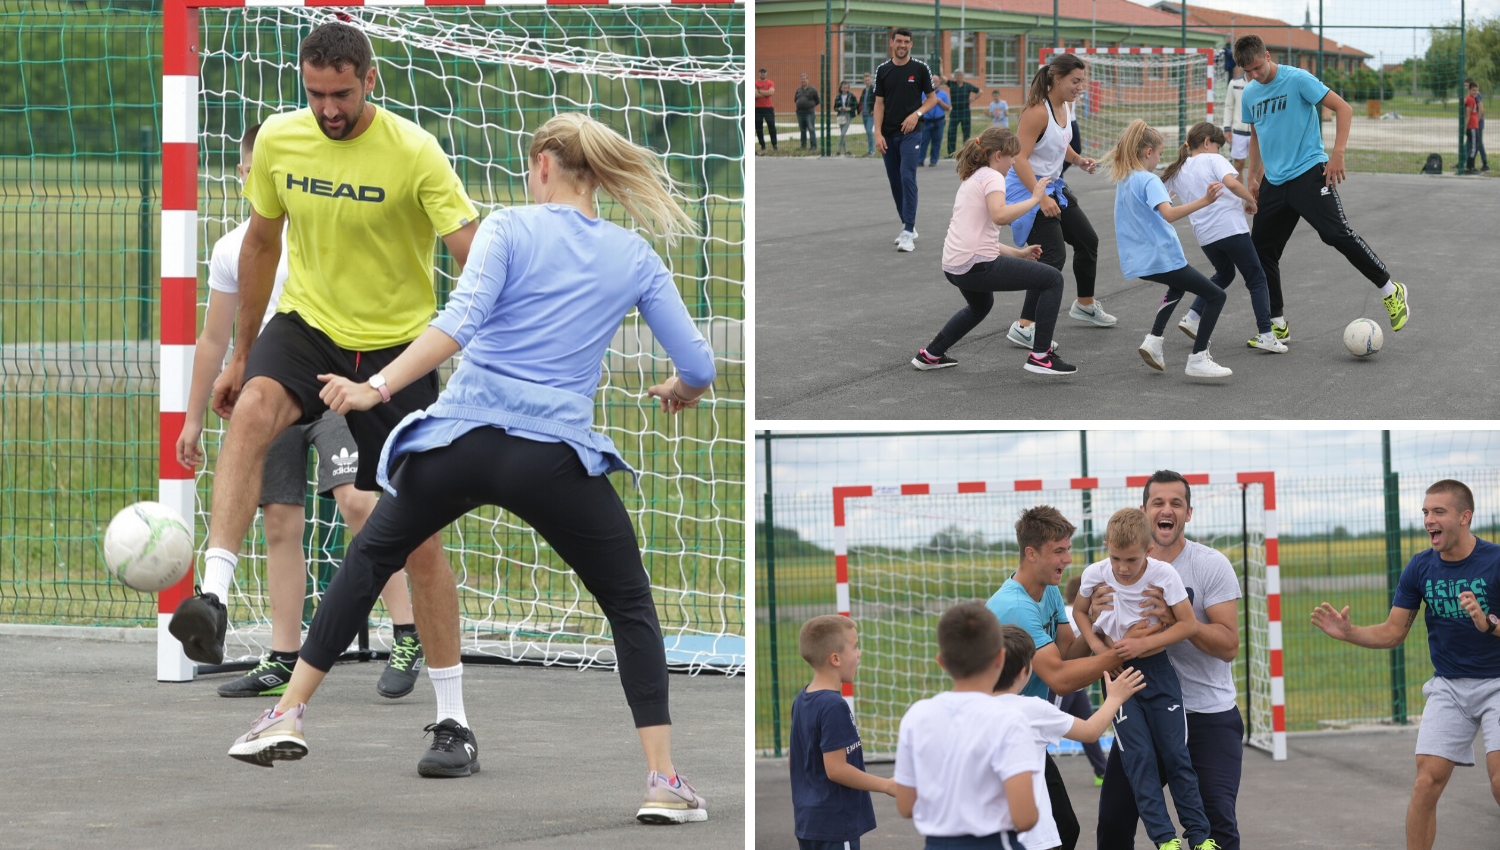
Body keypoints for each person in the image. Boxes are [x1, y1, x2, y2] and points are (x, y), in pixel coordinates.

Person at [226, 113, 717, 825]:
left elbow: (459, 320)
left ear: (544, 163)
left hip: (461, 440)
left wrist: (377, 387)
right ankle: (663, 781)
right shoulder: (634, 254)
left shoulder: (508, 229)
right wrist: (682, 391)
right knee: (630, 606)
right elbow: (698, 364)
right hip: (552, 456)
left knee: (369, 557)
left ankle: (288, 712)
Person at [168, 23, 482, 712]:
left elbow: (473, 255)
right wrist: (246, 352)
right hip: (307, 328)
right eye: (315, 94)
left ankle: (452, 717)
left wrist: (491, 348)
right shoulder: (282, 138)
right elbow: (260, 243)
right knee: (251, 408)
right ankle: (213, 594)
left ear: (369, 80)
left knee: (418, 542)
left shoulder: (414, 153)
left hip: (395, 352)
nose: (328, 109)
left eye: (340, 94)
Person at [176, 123, 424, 700]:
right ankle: (283, 655)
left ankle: (407, 631)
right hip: (270, 394)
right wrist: (192, 417)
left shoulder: (321, 235)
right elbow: (214, 340)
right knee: (280, 521)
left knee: (360, 502)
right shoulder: (234, 248)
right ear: (247, 176)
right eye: (250, 170)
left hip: (328, 385)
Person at [1311, 479, 1500, 850]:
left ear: (1465, 517)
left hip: (1497, 681)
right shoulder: (1420, 568)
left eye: (1439, 512)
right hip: (1449, 684)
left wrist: (1489, 624)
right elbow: (1393, 632)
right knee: (1425, 782)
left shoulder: (1495, 561)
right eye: (1426, 512)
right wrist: (1349, 632)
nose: (1429, 519)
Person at [1091, 471, 1248, 850]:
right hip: (1143, 712)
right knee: (1112, 824)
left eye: (1176, 503)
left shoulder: (1210, 565)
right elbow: (1096, 637)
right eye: (1157, 502)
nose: (1167, 509)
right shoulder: (1115, 568)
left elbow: (1229, 646)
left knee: (1215, 829)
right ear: (1144, 513)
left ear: (1188, 513)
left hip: (1207, 715)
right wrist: (1094, 626)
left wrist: (1181, 621)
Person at [1235, 34, 1409, 342]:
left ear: (1268, 55)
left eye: (1257, 68)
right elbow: (1256, 135)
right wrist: (1253, 176)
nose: (1254, 75)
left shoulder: (1298, 79)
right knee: (1262, 249)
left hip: (1308, 172)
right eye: (1247, 71)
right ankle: (1277, 324)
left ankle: (1390, 290)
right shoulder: (1249, 93)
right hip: (1275, 181)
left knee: (1335, 234)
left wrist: (1338, 152)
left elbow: (1343, 108)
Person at [985, 505, 1131, 850]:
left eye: (1068, 548)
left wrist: (1094, 620)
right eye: (1059, 551)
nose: (1068, 559)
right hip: (998, 736)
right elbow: (1062, 680)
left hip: (1023, 730)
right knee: (1041, 833)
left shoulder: (1048, 589)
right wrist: (1120, 654)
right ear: (1030, 553)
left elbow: (1067, 654)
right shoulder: (1015, 607)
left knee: (1060, 829)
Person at [1072, 508, 1216, 850]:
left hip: (1158, 674)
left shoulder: (1164, 574)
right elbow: (1079, 610)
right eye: (1115, 557)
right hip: (1119, 679)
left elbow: (1187, 625)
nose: (1122, 567)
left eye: (1131, 560)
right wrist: (1098, 648)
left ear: (1148, 550)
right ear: (1106, 547)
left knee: (1175, 756)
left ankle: (1200, 837)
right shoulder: (1095, 573)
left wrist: (1142, 644)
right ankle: (1165, 840)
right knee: (1139, 760)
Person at [909, 127, 1074, 376]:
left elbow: (977, 236)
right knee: (1052, 279)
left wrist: (1018, 253)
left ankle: (930, 355)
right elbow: (999, 215)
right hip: (976, 265)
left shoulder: (972, 178)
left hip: (954, 265)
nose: (1015, 162)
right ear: (998, 155)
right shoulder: (994, 177)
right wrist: (1035, 198)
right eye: (1012, 157)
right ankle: (1041, 356)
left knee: (980, 306)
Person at [894, 602, 1040, 849]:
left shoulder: (916, 716)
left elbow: (906, 806)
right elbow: (1024, 817)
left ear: (941, 661)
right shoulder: (1008, 720)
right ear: (1000, 658)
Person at [993, 624, 1145, 850]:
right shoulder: (1033, 709)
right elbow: (1091, 731)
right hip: (1034, 837)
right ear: (1025, 671)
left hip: (985, 833)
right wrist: (1115, 697)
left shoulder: (968, 710)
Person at [1003, 52, 1111, 354]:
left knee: (1088, 241)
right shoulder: (1036, 111)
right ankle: (1024, 326)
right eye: (1075, 81)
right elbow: (1019, 158)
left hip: (1051, 186)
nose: (1080, 87)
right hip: (1026, 189)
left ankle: (1085, 305)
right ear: (1057, 78)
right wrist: (1042, 199)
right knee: (1051, 257)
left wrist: (1078, 160)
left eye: (1082, 82)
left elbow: (1058, 144)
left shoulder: (1066, 105)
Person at [1109, 119, 1233, 379]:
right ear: (1148, 153)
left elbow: (1149, 211)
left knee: (1177, 287)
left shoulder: (1126, 179)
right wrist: (1205, 200)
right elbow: (1169, 215)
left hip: (1139, 260)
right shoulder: (1149, 179)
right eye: (1160, 154)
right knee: (1216, 296)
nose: (1160, 160)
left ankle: (1154, 340)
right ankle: (1198, 358)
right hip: (1162, 258)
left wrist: (1163, 203)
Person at [1160, 122, 1287, 354]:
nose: (1220, 151)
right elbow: (1231, 183)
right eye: (1219, 146)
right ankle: (1267, 335)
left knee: (1225, 273)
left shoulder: (1178, 168)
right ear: (1208, 143)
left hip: (1206, 237)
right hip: (1230, 229)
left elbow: (1160, 194)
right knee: (1256, 278)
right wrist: (1250, 200)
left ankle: (1192, 316)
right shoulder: (1213, 159)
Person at [791, 616, 897, 850]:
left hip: (808, 822)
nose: (859, 654)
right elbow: (836, 769)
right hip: (834, 825)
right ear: (836, 658)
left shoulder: (802, 698)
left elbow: (795, 757)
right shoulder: (833, 705)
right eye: (855, 647)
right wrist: (887, 785)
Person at [873, 28, 941, 253]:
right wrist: (877, 133)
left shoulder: (921, 69)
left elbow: (932, 100)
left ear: (911, 44)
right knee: (895, 181)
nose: (902, 45)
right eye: (898, 41)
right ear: (892, 43)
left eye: (906, 42)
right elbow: (879, 104)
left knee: (906, 176)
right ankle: (908, 224)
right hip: (888, 134)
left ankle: (907, 231)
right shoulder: (882, 70)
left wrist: (916, 115)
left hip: (911, 133)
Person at [1056, 577, 1108, 785]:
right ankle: (1033, 766)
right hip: (1064, 682)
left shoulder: (1064, 615)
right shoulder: (1077, 617)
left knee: (1087, 725)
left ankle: (1101, 770)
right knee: (1047, 725)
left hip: (1075, 682)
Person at [1222, 66, 1251, 174]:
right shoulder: (1234, 83)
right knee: (1238, 165)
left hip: (1258, 132)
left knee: (1259, 167)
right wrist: (1227, 128)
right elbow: (1229, 106)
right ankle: (1239, 191)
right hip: (1239, 131)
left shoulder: (1263, 83)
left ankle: (1258, 191)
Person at [946, 69, 981, 157]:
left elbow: (980, 91)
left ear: (963, 76)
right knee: (951, 132)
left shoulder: (968, 86)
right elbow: (942, 78)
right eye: (957, 75)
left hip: (965, 111)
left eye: (961, 75)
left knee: (966, 132)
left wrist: (972, 99)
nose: (959, 77)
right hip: (954, 111)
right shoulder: (952, 84)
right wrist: (941, 64)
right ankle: (951, 153)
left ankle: (966, 153)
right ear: (954, 77)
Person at [917, 81, 951, 168]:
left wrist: (940, 102)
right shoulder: (923, 93)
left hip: (939, 122)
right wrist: (925, 102)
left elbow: (948, 108)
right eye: (932, 81)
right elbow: (917, 106)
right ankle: (920, 160)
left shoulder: (943, 94)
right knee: (923, 141)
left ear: (939, 83)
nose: (934, 83)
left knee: (937, 141)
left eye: (936, 81)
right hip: (926, 121)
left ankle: (933, 160)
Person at [834, 80, 859, 157]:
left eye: (846, 88)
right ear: (841, 88)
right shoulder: (838, 96)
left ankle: (838, 150)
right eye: (844, 88)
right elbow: (834, 107)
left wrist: (849, 109)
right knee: (842, 134)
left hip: (848, 115)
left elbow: (856, 106)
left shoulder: (852, 96)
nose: (845, 89)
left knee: (843, 133)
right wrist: (838, 108)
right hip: (840, 115)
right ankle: (845, 150)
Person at [795, 73, 821, 149]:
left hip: (809, 113)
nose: (803, 80)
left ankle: (813, 146)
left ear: (807, 79)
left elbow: (817, 101)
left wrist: (810, 105)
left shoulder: (813, 90)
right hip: (800, 113)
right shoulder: (798, 90)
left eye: (804, 78)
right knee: (802, 130)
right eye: (802, 79)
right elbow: (796, 100)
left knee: (811, 129)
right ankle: (803, 145)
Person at [755, 67, 778, 153]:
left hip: (768, 108)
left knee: (771, 126)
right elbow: (754, 95)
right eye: (761, 72)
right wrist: (766, 93)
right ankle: (762, 145)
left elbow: (771, 92)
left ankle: (774, 144)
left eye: (764, 72)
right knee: (758, 128)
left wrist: (759, 91)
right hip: (756, 108)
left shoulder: (770, 83)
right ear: (759, 73)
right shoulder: (755, 83)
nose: (763, 73)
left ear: (766, 73)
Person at [1465, 79, 1482, 174]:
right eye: (1473, 90)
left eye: (1477, 90)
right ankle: (1470, 168)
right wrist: (1466, 127)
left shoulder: (1472, 98)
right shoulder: (1470, 99)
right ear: (1469, 90)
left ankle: (1471, 167)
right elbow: (1467, 114)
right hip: (1472, 127)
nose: (1476, 92)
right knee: (1474, 148)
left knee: (1474, 147)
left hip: (1475, 126)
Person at [859, 72, 878, 156]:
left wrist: (874, 109)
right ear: (863, 81)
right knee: (867, 132)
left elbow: (877, 100)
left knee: (869, 131)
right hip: (864, 113)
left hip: (871, 114)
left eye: (868, 80)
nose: (867, 81)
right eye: (865, 80)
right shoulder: (864, 90)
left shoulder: (873, 89)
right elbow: (861, 101)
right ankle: (869, 150)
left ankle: (872, 151)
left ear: (871, 80)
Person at [1473, 80, 1489, 172]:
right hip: (1475, 123)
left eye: (1467, 85)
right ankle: (1468, 164)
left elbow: (1481, 109)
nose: (1466, 87)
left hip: (1478, 123)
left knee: (1478, 144)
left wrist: (1476, 122)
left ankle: (1485, 164)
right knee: (1471, 144)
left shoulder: (1477, 94)